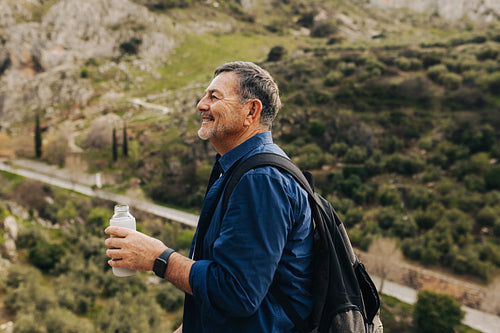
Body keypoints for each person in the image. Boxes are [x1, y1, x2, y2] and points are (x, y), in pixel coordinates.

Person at [105, 61, 314, 332]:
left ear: (251, 110)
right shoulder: (239, 170)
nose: (201, 105)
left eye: (214, 97)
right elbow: (227, 278)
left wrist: (158, 258)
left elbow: (237, 292)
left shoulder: (260, 179)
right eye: (204, 95)